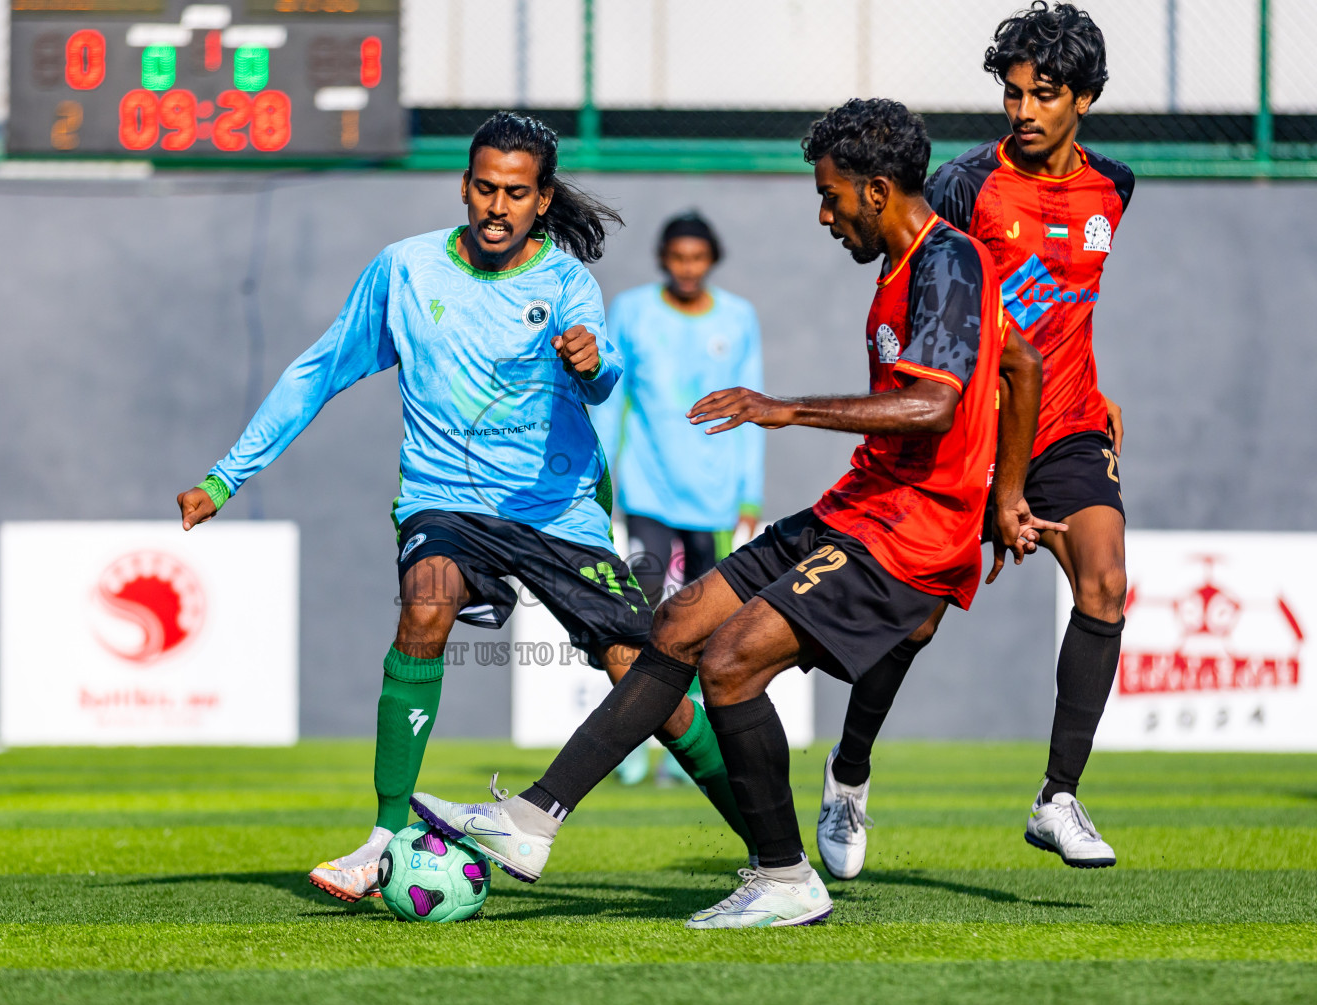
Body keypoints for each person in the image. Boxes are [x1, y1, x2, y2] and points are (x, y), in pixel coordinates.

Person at [410, 98, 1054, 928]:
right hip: (856, 509)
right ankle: (533, 823)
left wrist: (787, 409)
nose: (824, 215)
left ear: (876, 190)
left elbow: (933, 408)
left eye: (830, 196)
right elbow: (1023, 362)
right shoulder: (909, 268)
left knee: (730, 662)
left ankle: (785, 878)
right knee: (678, 623)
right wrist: (1008, 500)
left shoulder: (947, 263)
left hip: (911, 533)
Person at [175, 112, 750, 904]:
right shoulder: (404, 270)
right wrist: (224, 478)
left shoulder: (564, 282)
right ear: (464, 186)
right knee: (426, 600)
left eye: (516, 192)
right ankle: (380, 841)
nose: (496, 206)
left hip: (556, 509)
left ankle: (768, 851)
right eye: (484, 187)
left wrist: (591, 362)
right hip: (445, 499)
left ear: (542, 200)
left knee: (643, 678)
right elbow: (317, 371)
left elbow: (606, 373)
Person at [815, 1, 1134, 882]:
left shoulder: (1117, 187)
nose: (1023, 111)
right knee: (912, 622)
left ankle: (1057, 798)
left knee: (1105, 582)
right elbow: (917, 300)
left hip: (1065, 426)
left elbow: (1070, 312)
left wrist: (1098, 395)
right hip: (974, 434)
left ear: (1087, 99)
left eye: (1044, 95)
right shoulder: (963, 185)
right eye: (1013, 93)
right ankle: (849, 775)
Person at [592, 213, 764, 789]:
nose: (687, 268)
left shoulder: (738, 318)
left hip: (713, 498)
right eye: (677, 258)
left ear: (710, 260)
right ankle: (635, 739)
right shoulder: (634, 311)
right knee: (637, 615)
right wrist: (603, 483)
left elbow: (750, 408)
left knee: (704, 623)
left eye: (697, 258)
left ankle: (686, 741)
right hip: (646, 488)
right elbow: (611, 401)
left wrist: (749, 492)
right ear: (664, 259)